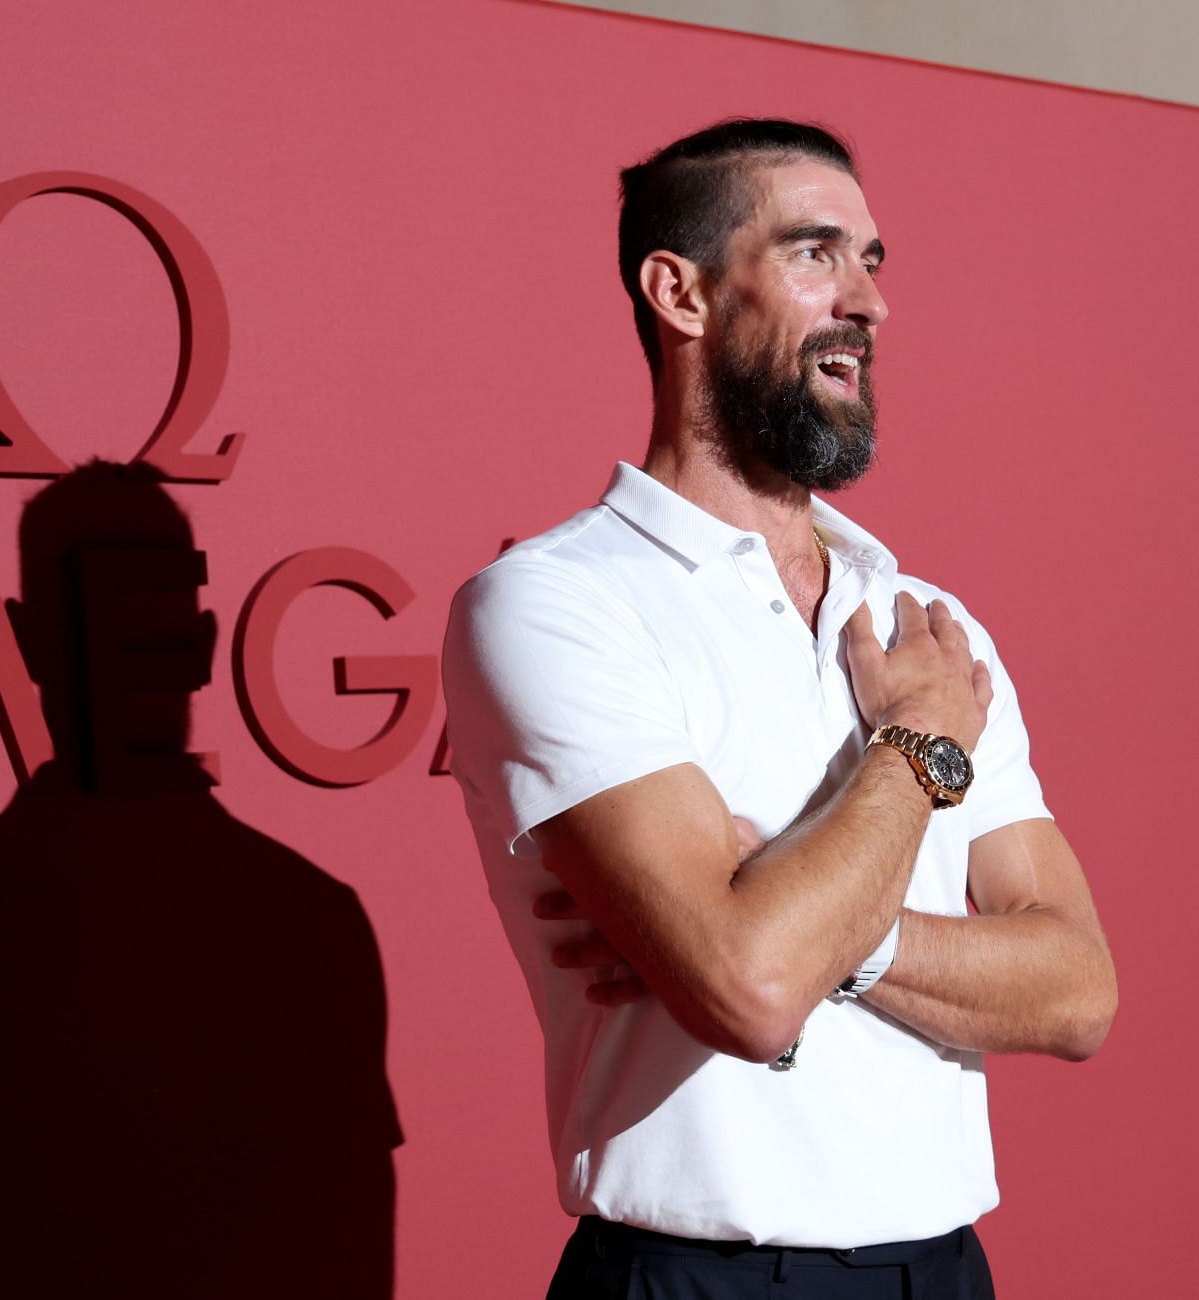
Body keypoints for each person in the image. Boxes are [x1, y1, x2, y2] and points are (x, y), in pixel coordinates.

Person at [441, 118, 1117, 1299]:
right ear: (681, 292)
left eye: (874, 262)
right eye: (816, 254)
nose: (868, 302)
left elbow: (1076, 989)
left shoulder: (925, 625)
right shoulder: (555, 604)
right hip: (693, 1276)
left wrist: (824, 936)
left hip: (946, 1271)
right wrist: (912, 750)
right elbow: (748, 991)